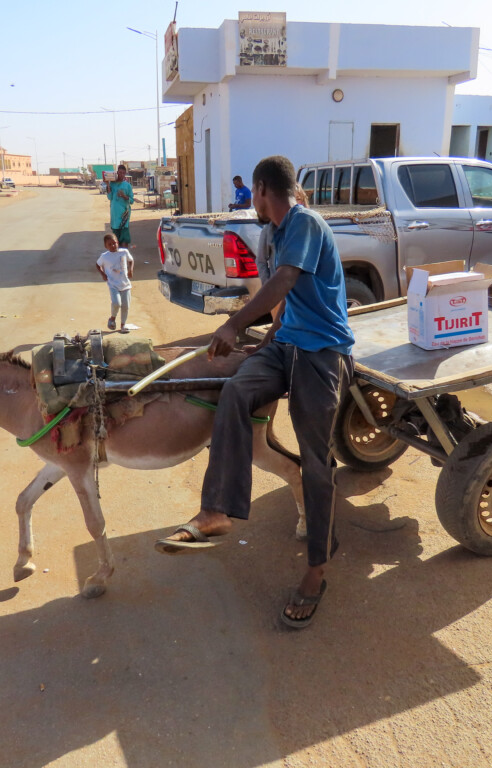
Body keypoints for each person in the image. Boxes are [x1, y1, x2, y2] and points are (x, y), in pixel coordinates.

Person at [155, 155, 355, 630]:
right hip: (285, 345)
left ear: (264, 189)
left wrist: (235, 323)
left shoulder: (303, 222)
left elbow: (287, 279)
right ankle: (215, 512)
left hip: (323, 352)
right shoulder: (273, 233)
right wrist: (268, 337)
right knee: (235, 391)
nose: (253, 204)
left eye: (254, 196)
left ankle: (315, 569)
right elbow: (284, 296)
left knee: (315, 459)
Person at [95, 232, 134, 332]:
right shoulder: (104, 256)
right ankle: (112, 318)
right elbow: (97, 264)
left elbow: (131, 260)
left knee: (126, 306)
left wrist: (131, 270)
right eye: (110, 244)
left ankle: (123, 325)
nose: (113, 245)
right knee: (116, 303)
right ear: (106, 246)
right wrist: (103, 274)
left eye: (114, 243)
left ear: (117, 242)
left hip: (125, 284)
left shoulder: (124, 252)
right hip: (113, 284)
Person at [105, 164, 134, 247]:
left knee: (125, 238)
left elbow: (131, 201)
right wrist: (108, 185)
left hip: (124, 215)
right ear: (117, 173)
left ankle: (124, 257)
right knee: (116, 240)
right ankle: (118, 258)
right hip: (114, 215)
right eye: (120, 173)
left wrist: (124, 196)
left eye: (123, 173)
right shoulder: (112, 184)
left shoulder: (127, 186)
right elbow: (110, 197)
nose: (121, 175)